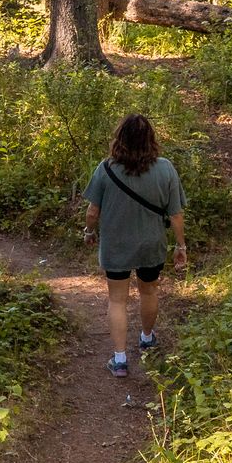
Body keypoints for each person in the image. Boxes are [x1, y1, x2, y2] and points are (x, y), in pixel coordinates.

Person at [83, 112, 187, 379]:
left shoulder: (105, 169)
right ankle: (147, 337)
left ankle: (119, 360)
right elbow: (175, 214)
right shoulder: (165, 168)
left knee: (117, 299)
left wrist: (88, 232)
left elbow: (93, 211)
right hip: (151, 244)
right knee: (148, 293)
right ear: (150, 139)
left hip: (116, 245)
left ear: (120, 138)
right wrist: (180, 245)